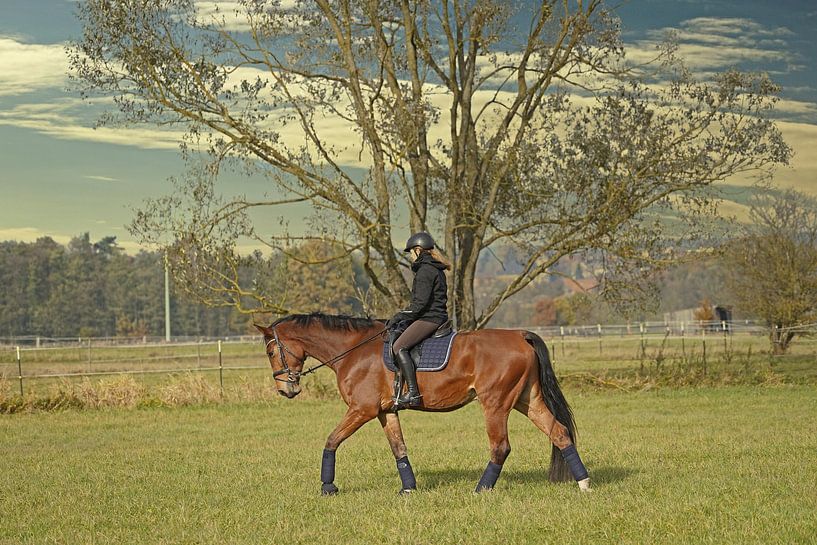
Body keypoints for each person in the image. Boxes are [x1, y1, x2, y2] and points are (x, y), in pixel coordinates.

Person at [387, 231, 450, 409]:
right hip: (434, 316)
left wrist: (400, 316)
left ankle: (413, 392)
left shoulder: (425, 271)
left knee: (399, 346)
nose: (411, 257)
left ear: (417, 250)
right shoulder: (435, 268)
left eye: (411, 253)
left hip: (430, 318)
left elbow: (419, 304)